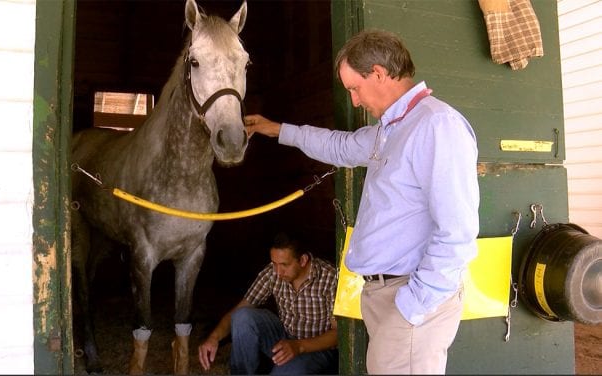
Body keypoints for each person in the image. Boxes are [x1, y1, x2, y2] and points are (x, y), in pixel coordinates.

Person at [245, 29, 480, 374]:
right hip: (386, 294)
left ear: (380, 73)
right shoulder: (391, 130)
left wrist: (412, 305)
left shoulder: (435, 125)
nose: (355, 101)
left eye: (355, 88)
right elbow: (338, 146)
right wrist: (277, 130)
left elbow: (457, 232)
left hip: (409, 297)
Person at [197, 232, 338, 375]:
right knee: (242, 317)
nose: (277, 271)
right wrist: (214, 338)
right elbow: (239, 310)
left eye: (284, 264)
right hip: (284, 337)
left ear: (303, 260)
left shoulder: (330, 278)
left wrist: (299, 346)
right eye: (274, 263)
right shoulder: (274, 272)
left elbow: (338, 334)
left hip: (316, 348)